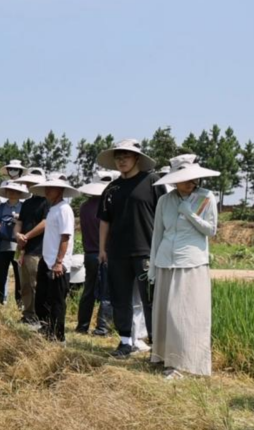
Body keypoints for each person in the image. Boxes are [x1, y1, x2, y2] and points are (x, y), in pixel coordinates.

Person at [149, 157, 219, 379]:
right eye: (185, 179)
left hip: (191, 262)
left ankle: (186, 363)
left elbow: (211, 230)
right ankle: (164, 358)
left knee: (185, 315)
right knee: (166, 313)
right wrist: (152, 266)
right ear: (174, 180)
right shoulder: (164, 201)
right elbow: (158, 234)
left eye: (193, 179)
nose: (191, 183)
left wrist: (189, 213)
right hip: (165, 261)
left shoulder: (206, 197)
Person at [96, 139, 162, 359]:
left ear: (137, 158)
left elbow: (163, 214)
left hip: (146, 251)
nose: (122, 160)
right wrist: (102, 249)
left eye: (126, 156)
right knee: (120, 299)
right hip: (117, 252)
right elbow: (104, 221)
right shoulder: (111, 189)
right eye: (118, 157)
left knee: (150, 299)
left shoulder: (152, 181)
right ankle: (125, 342)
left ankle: (157, 345)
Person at [28, 176, 77, 342]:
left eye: (52, 188)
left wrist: (59, 262)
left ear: (61, 190)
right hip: (47, 259)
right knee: (42, 298)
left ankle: (58, 336)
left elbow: (65, 237)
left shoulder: (64, 209)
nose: (48, 191)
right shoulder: (52, 209)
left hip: (58, 263)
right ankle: (46, 328)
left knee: (57, 302)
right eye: (46, 188)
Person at [75, 169, 119, 335]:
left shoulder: (84, 207)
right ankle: (102, 327)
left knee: (88, 291)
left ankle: (82, 325)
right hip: (104, 253)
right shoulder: (108, 206)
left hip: (89, 253)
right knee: (107, 292)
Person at [13, 168, 49, 326]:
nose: (27, 185)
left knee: (36, 284)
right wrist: (17, 235)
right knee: (25, 284)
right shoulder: (27, 203)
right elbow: (19, 222)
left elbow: (45, 223)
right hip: (24, 249)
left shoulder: (46, 202)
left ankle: (38, 316)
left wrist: (26, 236)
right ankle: (28, 314)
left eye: (30, 183)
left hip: (39, 249)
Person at [0, 180, 27, 305]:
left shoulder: (24, 207)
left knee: (19, 276)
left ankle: (20, 303)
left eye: (15, 191)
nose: (12, 193)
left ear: (20, 193)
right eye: (9, 191)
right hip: (2, 246)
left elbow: (29, 225)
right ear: (6, 192)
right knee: (0, 274)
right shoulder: (0, 208)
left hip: (19, 247)